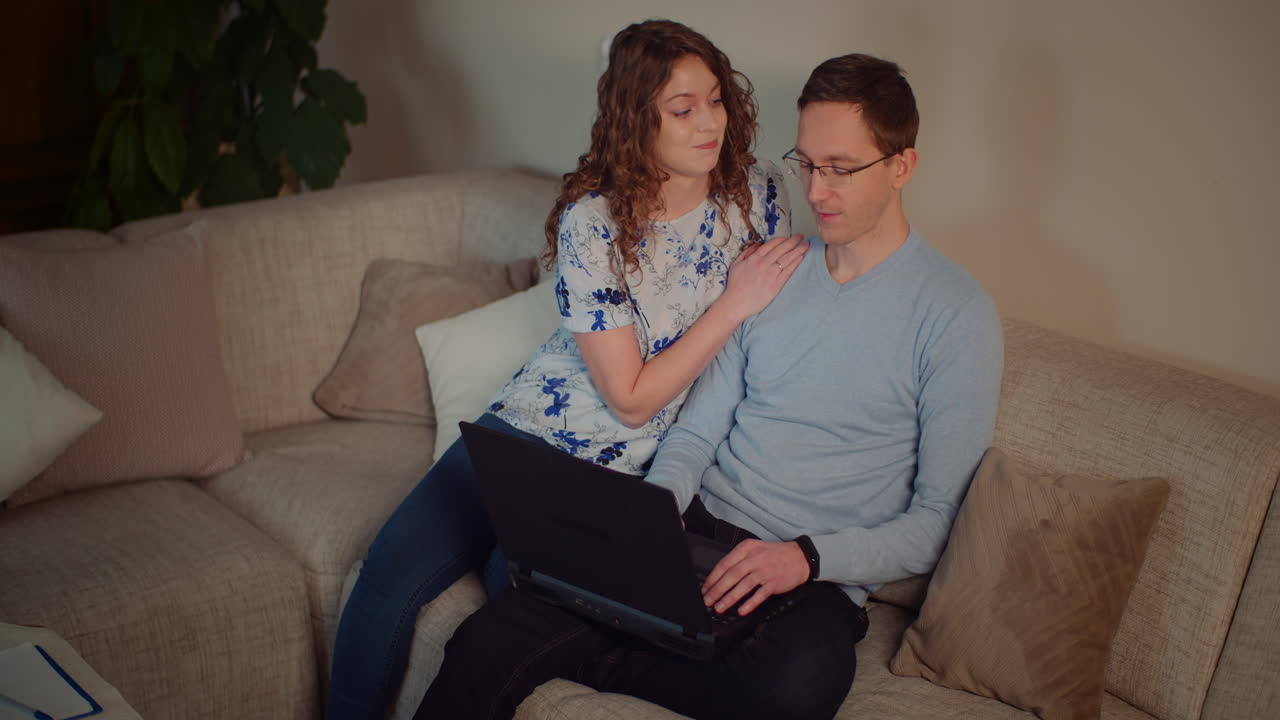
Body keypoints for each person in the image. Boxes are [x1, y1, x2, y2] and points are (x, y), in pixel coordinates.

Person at [412, 53, 1004, 720]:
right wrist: (658, 511)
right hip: (698, 532)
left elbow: (934, 522)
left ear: (902, 166)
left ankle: (612, 651)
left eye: (840, 169)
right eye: (806, 163)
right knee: (487, 638)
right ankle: (640, 639)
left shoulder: (957, 314)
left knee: (800, 686)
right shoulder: (769, 271)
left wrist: (803, 558)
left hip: (811, 579)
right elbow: (696, 430)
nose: (815, 192)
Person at [325, 19, 805, 719]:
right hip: (521, 435)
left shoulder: (759, 195)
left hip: (608, 484)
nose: (710, 122)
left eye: (716, 99)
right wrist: (732, 305)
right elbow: (631, 397)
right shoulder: (596, 222)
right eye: (682, 108)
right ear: (637, 120)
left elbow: (774, 337)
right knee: (387, 578)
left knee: (505, 612)